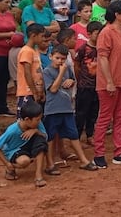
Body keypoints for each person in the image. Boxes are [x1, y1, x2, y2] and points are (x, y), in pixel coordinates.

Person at [93, 0, 121, 168]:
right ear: (117, 14)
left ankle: (119, 152)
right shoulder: (106, 32)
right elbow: (102, 57)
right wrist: (109, 81)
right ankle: (99, 153)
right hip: (108, 83)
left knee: (120, 117)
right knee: (105, 118)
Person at [42, 44, 97, 173]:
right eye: (57, 58)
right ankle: (49, 164)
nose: (60, 61)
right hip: (53, 109)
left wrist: (71, 81)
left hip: (67, 108)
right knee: (50, 137)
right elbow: (53, 89)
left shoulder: (68, 70)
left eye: (62, 58)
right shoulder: (47, 71)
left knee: (73, 136)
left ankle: (83, 160)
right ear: (51, 57)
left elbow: (72, 80)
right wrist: (61, 73)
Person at [0, 101, 49, 187]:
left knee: (41, 143)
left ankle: (38, 176)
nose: (39, 121)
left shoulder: (37, 124)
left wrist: (36, 131)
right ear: (27, 119)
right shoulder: (12, 130)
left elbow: (45, 137)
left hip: (28, 146)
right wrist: (7, 163)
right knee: (24, 161)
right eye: (37, 119)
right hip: (15, 150)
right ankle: (10, 168)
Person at [74, 21, 102, 147]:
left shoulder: (102, 49)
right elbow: (77, 65)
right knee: (81, 113)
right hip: (85, 85)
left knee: (93, 112)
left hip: (98, 85)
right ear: (89, 34)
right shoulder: (83, 49)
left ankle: (90, 135)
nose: (99, 36)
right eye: (97, 34)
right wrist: (80, 79)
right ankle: (77, 138)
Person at [16, 24, 46, 116]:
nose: (43, 39)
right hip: (27, 91)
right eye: (42, 36)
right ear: (33, 35)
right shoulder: (26, 51)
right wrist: (34, 92)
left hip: (36, 91)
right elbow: (27, 73)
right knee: (26, 119)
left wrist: (41, 91)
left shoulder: (35, 50)